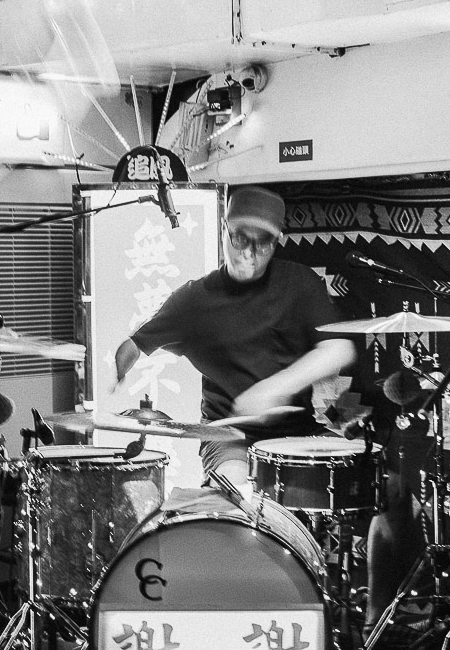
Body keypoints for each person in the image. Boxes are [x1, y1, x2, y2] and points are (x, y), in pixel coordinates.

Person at [112, 185, 357, 497]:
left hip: (298, 432)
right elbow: (135, 344)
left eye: (263, 242)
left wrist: (276, 387)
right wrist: (116, 374)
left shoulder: (301, 284)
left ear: (277, 241)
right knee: (236, 489)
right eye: (240, 238)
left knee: (362, 476)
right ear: (224, 230)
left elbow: (339, 348)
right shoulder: (193, 300)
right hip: (228, 436)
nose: (249, 252)